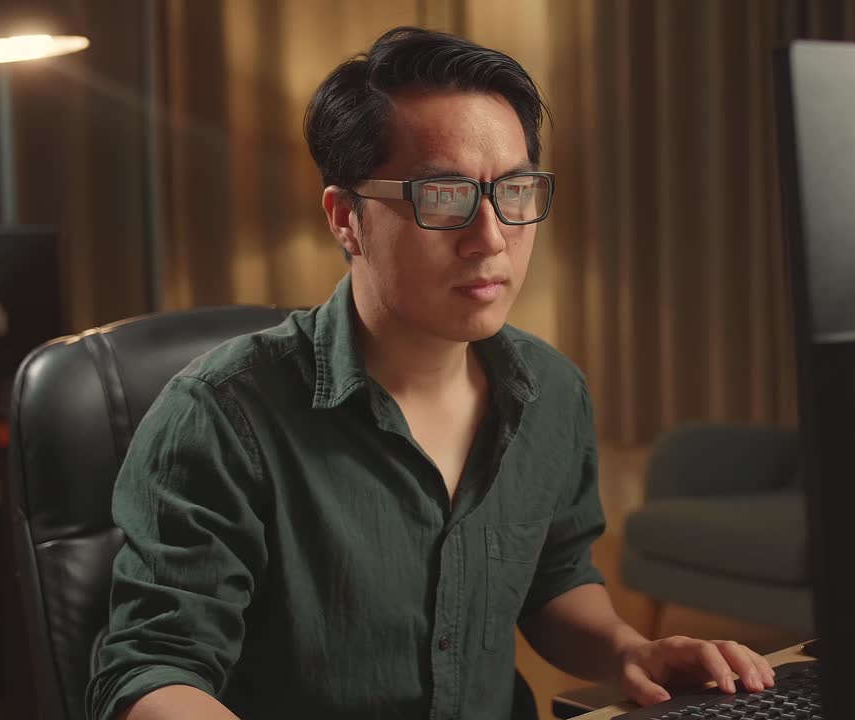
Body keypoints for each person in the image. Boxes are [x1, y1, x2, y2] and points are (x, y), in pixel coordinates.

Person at [87, 26, 775, 720]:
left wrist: (629, 651)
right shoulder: (220, 415)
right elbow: (154, 672)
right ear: (346, 219)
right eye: (442, 196)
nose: (490, 238)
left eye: (514, 191)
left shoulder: (552, 392)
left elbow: (554, 581)